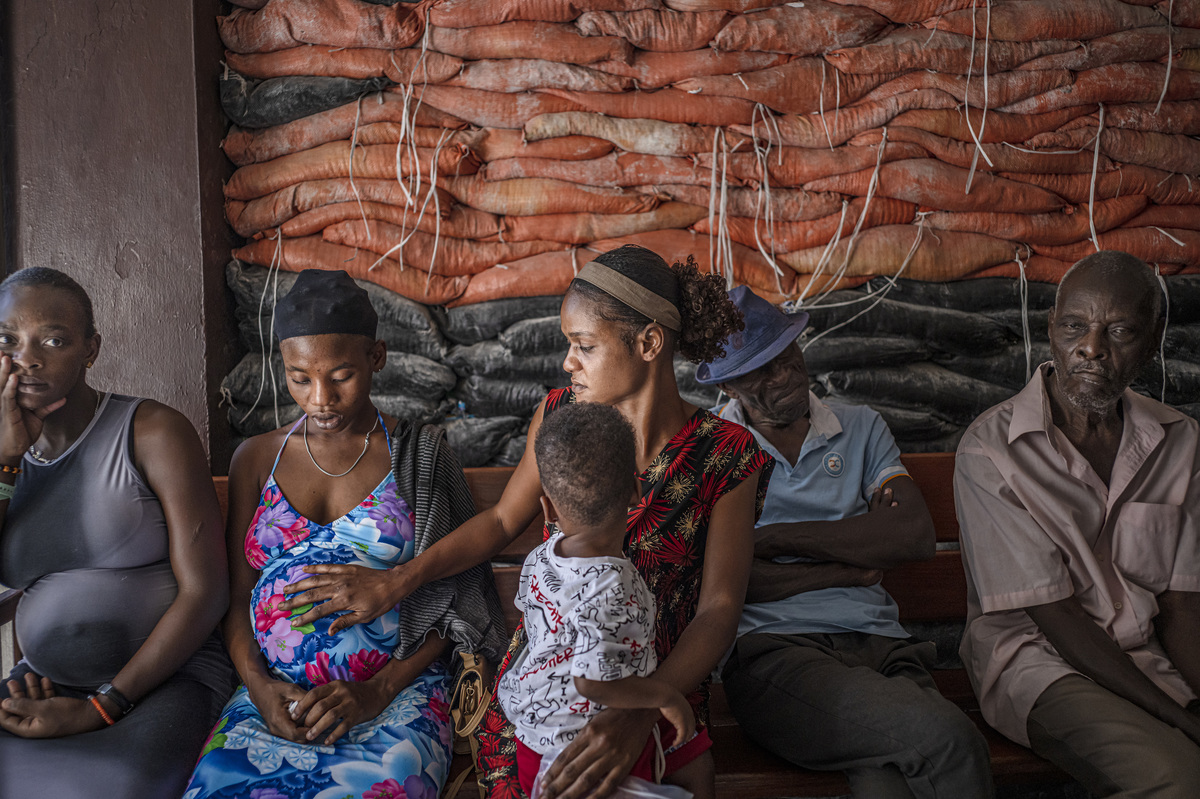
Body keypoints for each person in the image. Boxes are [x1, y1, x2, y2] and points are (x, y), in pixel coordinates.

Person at [278, 245, 774, 799]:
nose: (568, 361)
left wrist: (642, 705)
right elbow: (499, 522)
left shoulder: (726, 454)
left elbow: (719, 610)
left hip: (661, 678)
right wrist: (400, 580)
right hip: (547, 686)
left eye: (584, 346)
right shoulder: (560, 415)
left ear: (649, 343)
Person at [185, 269, 506, 799]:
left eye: (340, 375)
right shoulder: (256, 458)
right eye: (299, 377)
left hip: (393, 695)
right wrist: (260, 689)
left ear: (376, 358)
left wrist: (376, 691)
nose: (320, 398)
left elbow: (456, 596)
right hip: (275, 698)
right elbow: (238, 595)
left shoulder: (419, 456)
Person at [702, 286, 993, 799]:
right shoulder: (714, 451)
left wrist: (771, 539)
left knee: (891, 785)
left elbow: (913, 535)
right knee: (948, 741)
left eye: (789, 354)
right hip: (779, 655)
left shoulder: (860, 427)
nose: (787, 374)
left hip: (882, 646)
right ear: (731, 387)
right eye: (763, 371)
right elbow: (735, 584)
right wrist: (850, 563)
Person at [955, 250, 1200, 798]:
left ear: (1156, 338)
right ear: (1051, 329)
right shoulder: (992, 449)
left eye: (1120, 330)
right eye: (1074, 326)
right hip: (1040, 663)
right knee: (1180, 780)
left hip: (1147, 654)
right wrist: (1181, 717)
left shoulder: (1181, 441)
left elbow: (1182, 605)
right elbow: (1056, 616)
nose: (1092, 347)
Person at [0, 267, 234, 797]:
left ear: (91, 349)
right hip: (44, 683)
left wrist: (100, 705)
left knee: (104, 788)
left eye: (53, 340)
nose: (27, 358)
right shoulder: (3, 451)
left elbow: (207, 592)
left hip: (165, 685)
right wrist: (7, 460)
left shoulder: (152, 432)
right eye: (7, 340)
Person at [499, 402, 697, 799]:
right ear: (636, 491)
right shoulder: (613, 584)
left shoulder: (543, 556)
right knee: (697, 758)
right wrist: (665, 695)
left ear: (548, 507)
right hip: (580, 743)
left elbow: (535, 616)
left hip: (531, 738)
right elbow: (591, 681)